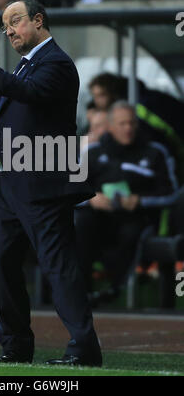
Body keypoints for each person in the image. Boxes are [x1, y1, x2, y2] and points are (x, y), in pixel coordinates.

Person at [0, 0, 102, 366]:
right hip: (10, 180)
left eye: (16, 21)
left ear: (38, 21)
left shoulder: (55, 62)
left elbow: (34, 95)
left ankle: (85, 348)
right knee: (4, 268)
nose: (9, 30)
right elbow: (17, 112)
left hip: (42, 181)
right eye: (5, 25)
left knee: (58, 266)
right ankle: (16, 345)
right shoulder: (25, 68)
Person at [75, 101, 178, 303]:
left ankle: (116, 289)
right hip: (99, 216)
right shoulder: (92, 153)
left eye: (131, 123)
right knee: (82, 223)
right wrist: (92, 199)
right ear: (111, 125)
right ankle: (80, 292)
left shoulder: (156, 152)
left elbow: (173, 194)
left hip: (137, 217)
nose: (128, 128)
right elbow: (70, 193)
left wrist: (139, 200)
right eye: (122, 124)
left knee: (131, 232)